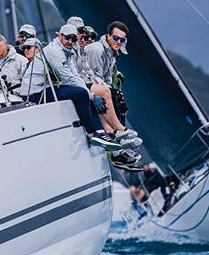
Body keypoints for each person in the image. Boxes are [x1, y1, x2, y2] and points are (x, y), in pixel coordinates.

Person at [42, 23, 140, 162]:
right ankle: (116, 133)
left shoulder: (77, 49)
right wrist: (92, 94)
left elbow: (83, 73)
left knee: (113, 96)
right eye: (80, 36)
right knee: (103, 94)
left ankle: (116, 141)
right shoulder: (93, 50)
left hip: (79, 83)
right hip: (55, 87)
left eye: (86, 37)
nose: (83, 40)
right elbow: (72, 77)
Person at [85, 21, 144, 168]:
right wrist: (109, 92)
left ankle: (120, 145)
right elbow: (92, 76)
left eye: (122, 40)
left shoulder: (112, 52)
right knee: (109, 96)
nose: (118, 42)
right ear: (108, 36)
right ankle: (119, 134)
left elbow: (106, 78)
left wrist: (114, 93)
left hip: (96, 86)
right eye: (116, 38)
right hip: (86, 85)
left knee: (118, 99)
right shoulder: (97, 50)